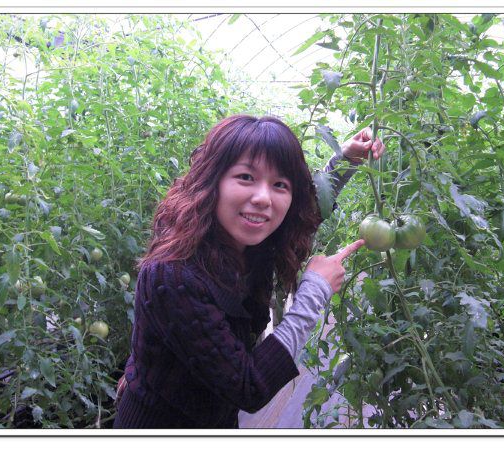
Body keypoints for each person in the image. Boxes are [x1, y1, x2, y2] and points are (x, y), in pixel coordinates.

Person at [113, 115, 385, 428]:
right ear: (212, 180)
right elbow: (247, 385)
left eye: (280, 184)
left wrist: (345, 161)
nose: (263, 198)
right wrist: (315, 291)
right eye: (245, 177)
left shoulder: (251, 242)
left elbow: (303, 212)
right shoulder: (172, 275)